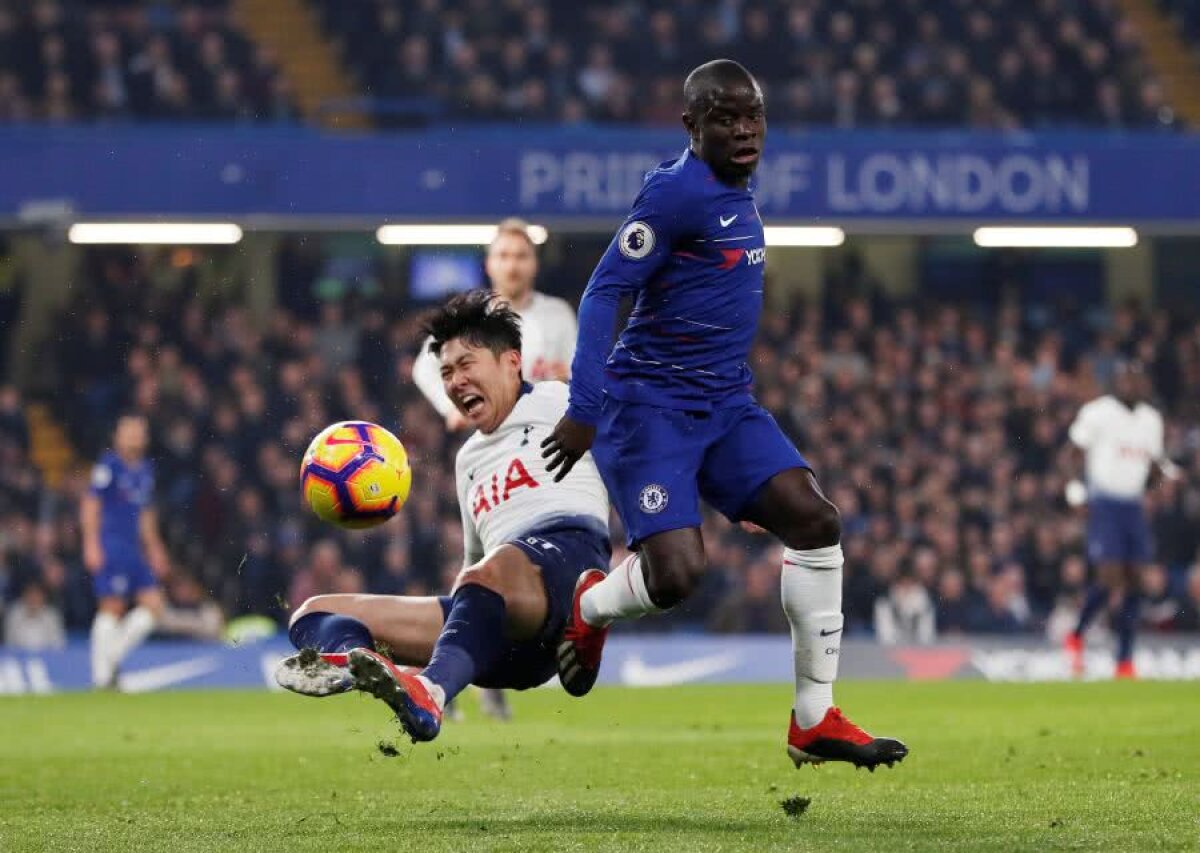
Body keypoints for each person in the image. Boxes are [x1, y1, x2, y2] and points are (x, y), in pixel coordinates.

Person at [541, 59, 906, 771]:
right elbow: (602, 292)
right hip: (650, 408)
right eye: (725, 118)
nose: (744, 130)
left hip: (726, 404)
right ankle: (589, 607)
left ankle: (815, 719)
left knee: (815, 520)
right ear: (691, 125)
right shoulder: (675, 193)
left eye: (753, 116)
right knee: (677, 576)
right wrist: (584, 405)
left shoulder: (738, 187)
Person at [275, 292, 611, 744]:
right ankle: (360, 662)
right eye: (447, 372)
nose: (455, 381)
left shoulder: (562, 400)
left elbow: (638, 440)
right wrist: (448, 645)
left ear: (512, 362)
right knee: (313, 614)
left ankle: (429, 691)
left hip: (568, 577)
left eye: (466, 364)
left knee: (491, 571)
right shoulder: (468, 460)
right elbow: (473, 569)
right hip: (506, 632)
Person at [410, 216, 577, 721]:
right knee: (474, 561)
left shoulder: (556, 316)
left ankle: (487, 676)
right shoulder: (472, 317)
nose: (513, 264)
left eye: (521, 255)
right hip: (486, 453)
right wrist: (450, 408)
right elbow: (424, 365)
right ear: (490, 264)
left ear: (534, 263)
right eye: (504, 255)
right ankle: (453, 673)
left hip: (541, 454)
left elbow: (576, 376)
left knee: (522, 564)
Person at [1064, 361, 1179, 678]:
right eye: (1125, 378)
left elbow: (1154, 466)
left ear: (1144, 384)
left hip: (1133, 505)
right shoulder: (1098, 412)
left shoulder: (1151, 420)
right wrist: (1076, 490)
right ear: (1115, 382)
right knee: (1110, 575)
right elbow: (1073, 453)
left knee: (1137, 580)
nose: (1131, 384)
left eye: (1136, 379)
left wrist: (1164, 479)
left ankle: (1124, 660)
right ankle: (1076, 634)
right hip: (1104, 501)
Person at [81, 413, 170, 688]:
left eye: (139, 432)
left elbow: (145, 513)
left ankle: (110, 660)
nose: (135, 437)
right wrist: (91, 543)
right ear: (117, 436)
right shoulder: (108, 466)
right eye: (129, 432)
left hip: (134, 549)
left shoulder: (145, 469)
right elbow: (91, 505)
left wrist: (155, 547)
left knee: (154, 605)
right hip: (111, 545)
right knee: (112, 607)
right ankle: (103, 675)